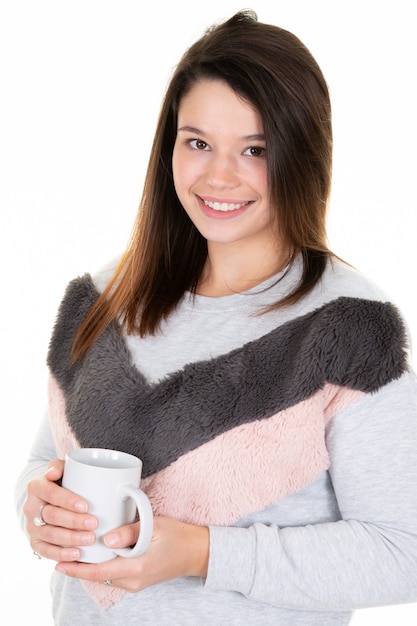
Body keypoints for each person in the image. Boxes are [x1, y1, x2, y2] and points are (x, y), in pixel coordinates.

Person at [15, 9, 417, 626]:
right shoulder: (102, 294)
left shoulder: (351, 332)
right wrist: (37, 506)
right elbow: (46, 464)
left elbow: (403, 552)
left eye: (255, 149)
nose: (218, 175)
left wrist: (205, 553)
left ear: (303, 154)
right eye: (197, 142)